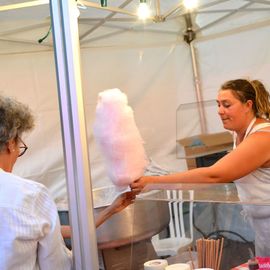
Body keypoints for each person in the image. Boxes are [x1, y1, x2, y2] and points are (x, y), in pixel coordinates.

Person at [130, 78, 270, 256]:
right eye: (218, 104)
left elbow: (215, 175)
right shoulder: (239, 135)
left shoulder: (263, 138)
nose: (220, 111)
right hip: (261, 226)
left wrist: (151, 181)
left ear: (248, 105)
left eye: (227, 105)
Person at [0, 94, 135, 270]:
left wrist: (108, 212)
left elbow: (44, 230)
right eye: (20, 147)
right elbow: (57, 265)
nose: (18, 153)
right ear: (10, 144)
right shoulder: (29, 194)